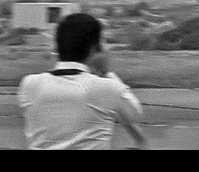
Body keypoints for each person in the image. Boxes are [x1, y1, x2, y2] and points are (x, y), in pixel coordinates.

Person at [17, 12, 148, 150]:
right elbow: (135, 114)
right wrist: (106, 72)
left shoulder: (29, 85)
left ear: (57, 46)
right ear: (94, 49)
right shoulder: (106, 88)